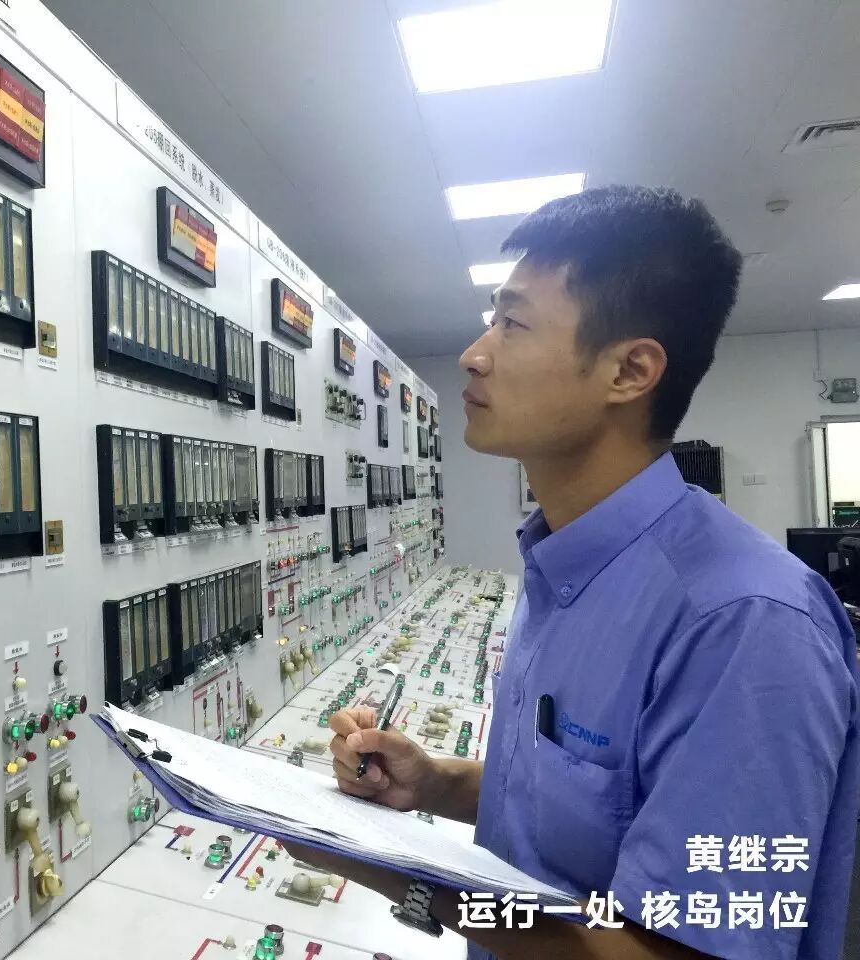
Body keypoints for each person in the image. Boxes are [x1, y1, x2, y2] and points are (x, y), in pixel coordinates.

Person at [289, 186, 860, 959]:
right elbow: (574, 804)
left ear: (630, 370)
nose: (474, 354)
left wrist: (404, 876)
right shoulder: (564, 563)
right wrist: (434, 785)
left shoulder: (744, 622)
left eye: (513, 324)